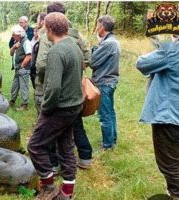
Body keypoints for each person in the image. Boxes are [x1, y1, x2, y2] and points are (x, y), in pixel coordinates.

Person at [28, 12, 83, 200]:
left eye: (45, 28)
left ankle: (49, 187)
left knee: (35, 145)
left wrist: (46, 108)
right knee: (66, 148)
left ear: (49, 29)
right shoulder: (74, 46)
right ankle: (67, 193)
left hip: (59, 108)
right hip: (75, 106)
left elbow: (54, 87)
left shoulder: (56, 52)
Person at [34, 2, 93, 171]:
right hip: (74, 90)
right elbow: (87, 58)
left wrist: (57, 69)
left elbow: (41, 65)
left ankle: (53, 166)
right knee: (74, 125)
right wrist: (74, 69)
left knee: (47, 133)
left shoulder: (48, 36)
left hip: (55, 90)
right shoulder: (76, 34)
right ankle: (85, 157)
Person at [136, 35, 179, 200]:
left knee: (169, 162)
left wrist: (156, 51)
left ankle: (177, 194)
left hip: (170, 114)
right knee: (174, 157)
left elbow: (142, 64)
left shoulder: (174, 48)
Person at [89, 15, 120, 150]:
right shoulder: (113, 41)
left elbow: (92, 61)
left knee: (105, 115)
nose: (96, 28)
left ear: (102, 27)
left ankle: (107, 145)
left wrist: (96, 47)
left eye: (97, 25)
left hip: (104, 82)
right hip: (110, 81)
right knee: (110, 112)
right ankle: (112, 140)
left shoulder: (108, 43)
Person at [9, 25, 32, 111]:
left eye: (14, 34)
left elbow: (29, 56)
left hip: (23, 69)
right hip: (17, 69)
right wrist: (14, 46)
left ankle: (24, 105)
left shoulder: (26, 42)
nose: (12, 36)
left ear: (19, 35)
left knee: (23, 87)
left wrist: (22, 67)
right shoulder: (17, 41)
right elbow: (11, 53)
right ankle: (12, 101)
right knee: (14, 86)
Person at [29, 13, 46, 89]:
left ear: (42, 21)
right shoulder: (39, 33)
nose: (37, 22)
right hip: (35, 68)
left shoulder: (44, 36)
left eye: (38, 20)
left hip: (40, 71)